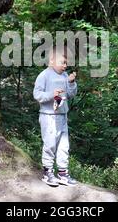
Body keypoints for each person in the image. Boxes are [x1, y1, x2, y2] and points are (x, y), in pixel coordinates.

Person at [33, 46, 78, 186]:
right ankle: (48, 172)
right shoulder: (44, 75)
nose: (65, 65)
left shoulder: (65, 76)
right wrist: (51, 94)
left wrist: (71, 83)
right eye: (62, 62)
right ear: (52, 61)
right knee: (50, 144)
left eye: (66, 63)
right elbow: (37, 95)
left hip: (62, 116)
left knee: (64, 146)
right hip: (48, 116)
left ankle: (62, 173)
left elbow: (70, 94)